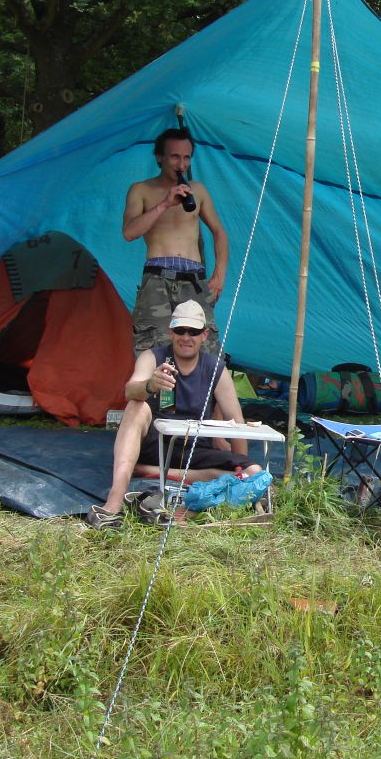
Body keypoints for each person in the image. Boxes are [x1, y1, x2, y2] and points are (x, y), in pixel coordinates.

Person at [85, 300, 266, 530]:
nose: (186, 337)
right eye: (180, 330)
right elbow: (130, 391)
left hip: (195, 449)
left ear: (204, 335)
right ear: (171, 332)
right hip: (156, 445)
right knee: (136, 407)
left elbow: (236, 422)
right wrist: (150, 385)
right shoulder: (152, 357)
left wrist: (239, 466)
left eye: (194, 331)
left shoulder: (215, 369)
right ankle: (113, 503)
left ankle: (149, 472)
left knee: (253, 472)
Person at [122, 128, 229, 355]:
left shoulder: (197, 190)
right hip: (157, 278)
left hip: (194, 278)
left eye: (186, 157)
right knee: (154, 350)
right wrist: (164, 204)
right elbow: (129, 232)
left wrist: (220, 273)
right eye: (174, 157)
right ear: (159, 157)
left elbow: (219, 232)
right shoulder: (141, 189)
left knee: (205, 348)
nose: (181, 164)